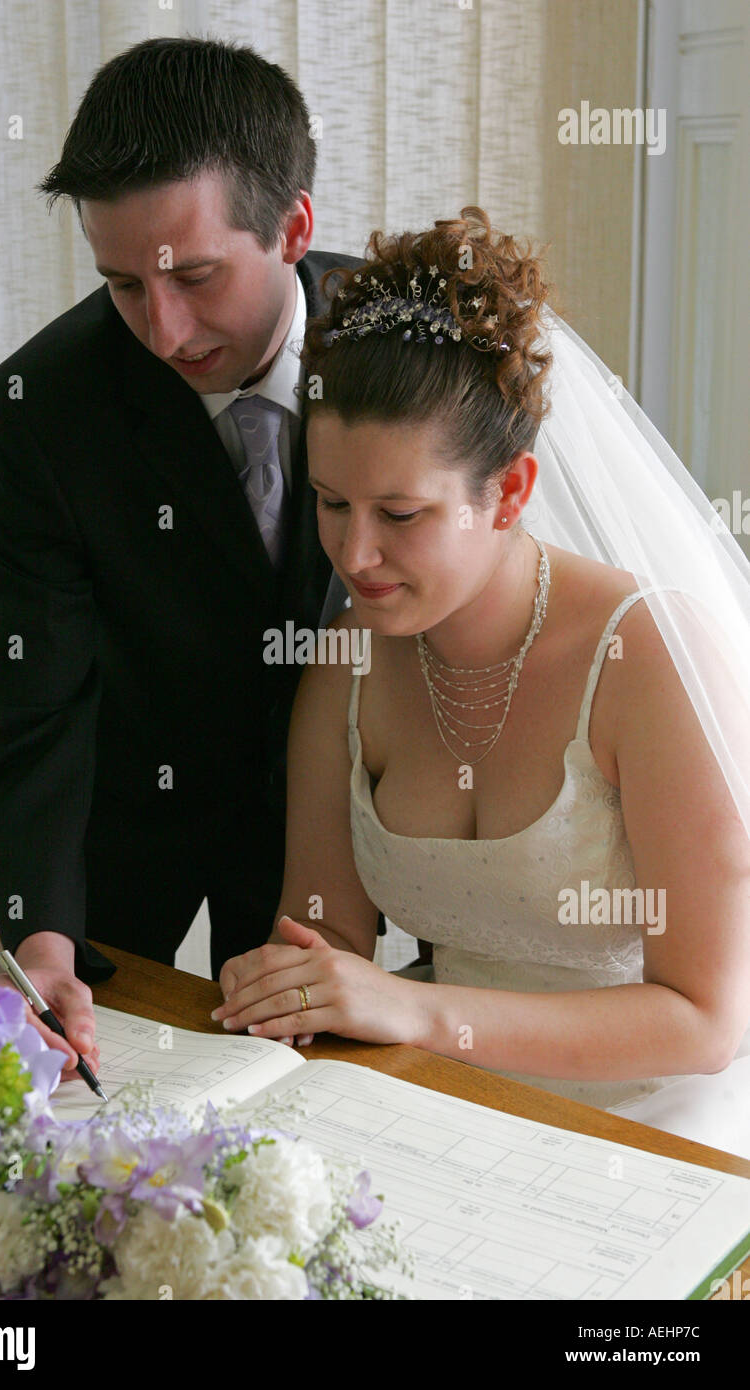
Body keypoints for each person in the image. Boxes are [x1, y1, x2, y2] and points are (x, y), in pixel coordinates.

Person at [215, 207, 750, 1159]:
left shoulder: (646, 657)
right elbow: (324, 939)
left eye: (402, 513)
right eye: (333, 504)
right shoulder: (348, 667)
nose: (356, 553)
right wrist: (285, 990)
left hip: (659, 1113)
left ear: (508, 492)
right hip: (436, 1096)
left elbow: (706, 1020)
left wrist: (418, 1012)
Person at [0, 36, 358, 1084]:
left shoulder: (407, 350)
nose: (164, 328)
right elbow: (28, 690)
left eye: (193, 276)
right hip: (139, 809)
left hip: (372, 828)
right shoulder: (41, 410)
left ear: (294, 226)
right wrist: (38, 933)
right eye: (123, 284)